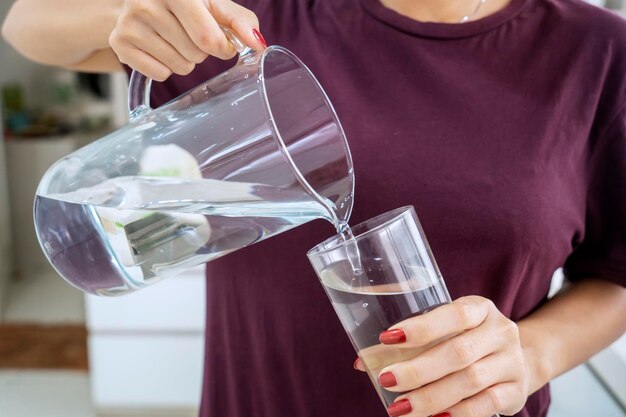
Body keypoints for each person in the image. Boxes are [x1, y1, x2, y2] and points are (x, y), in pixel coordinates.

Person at [3, 0, 626, 416]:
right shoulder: (257, 20)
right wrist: (127, 11)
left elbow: (617, 273)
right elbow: (24, 26)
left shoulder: (600, 55)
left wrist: (532, 354)